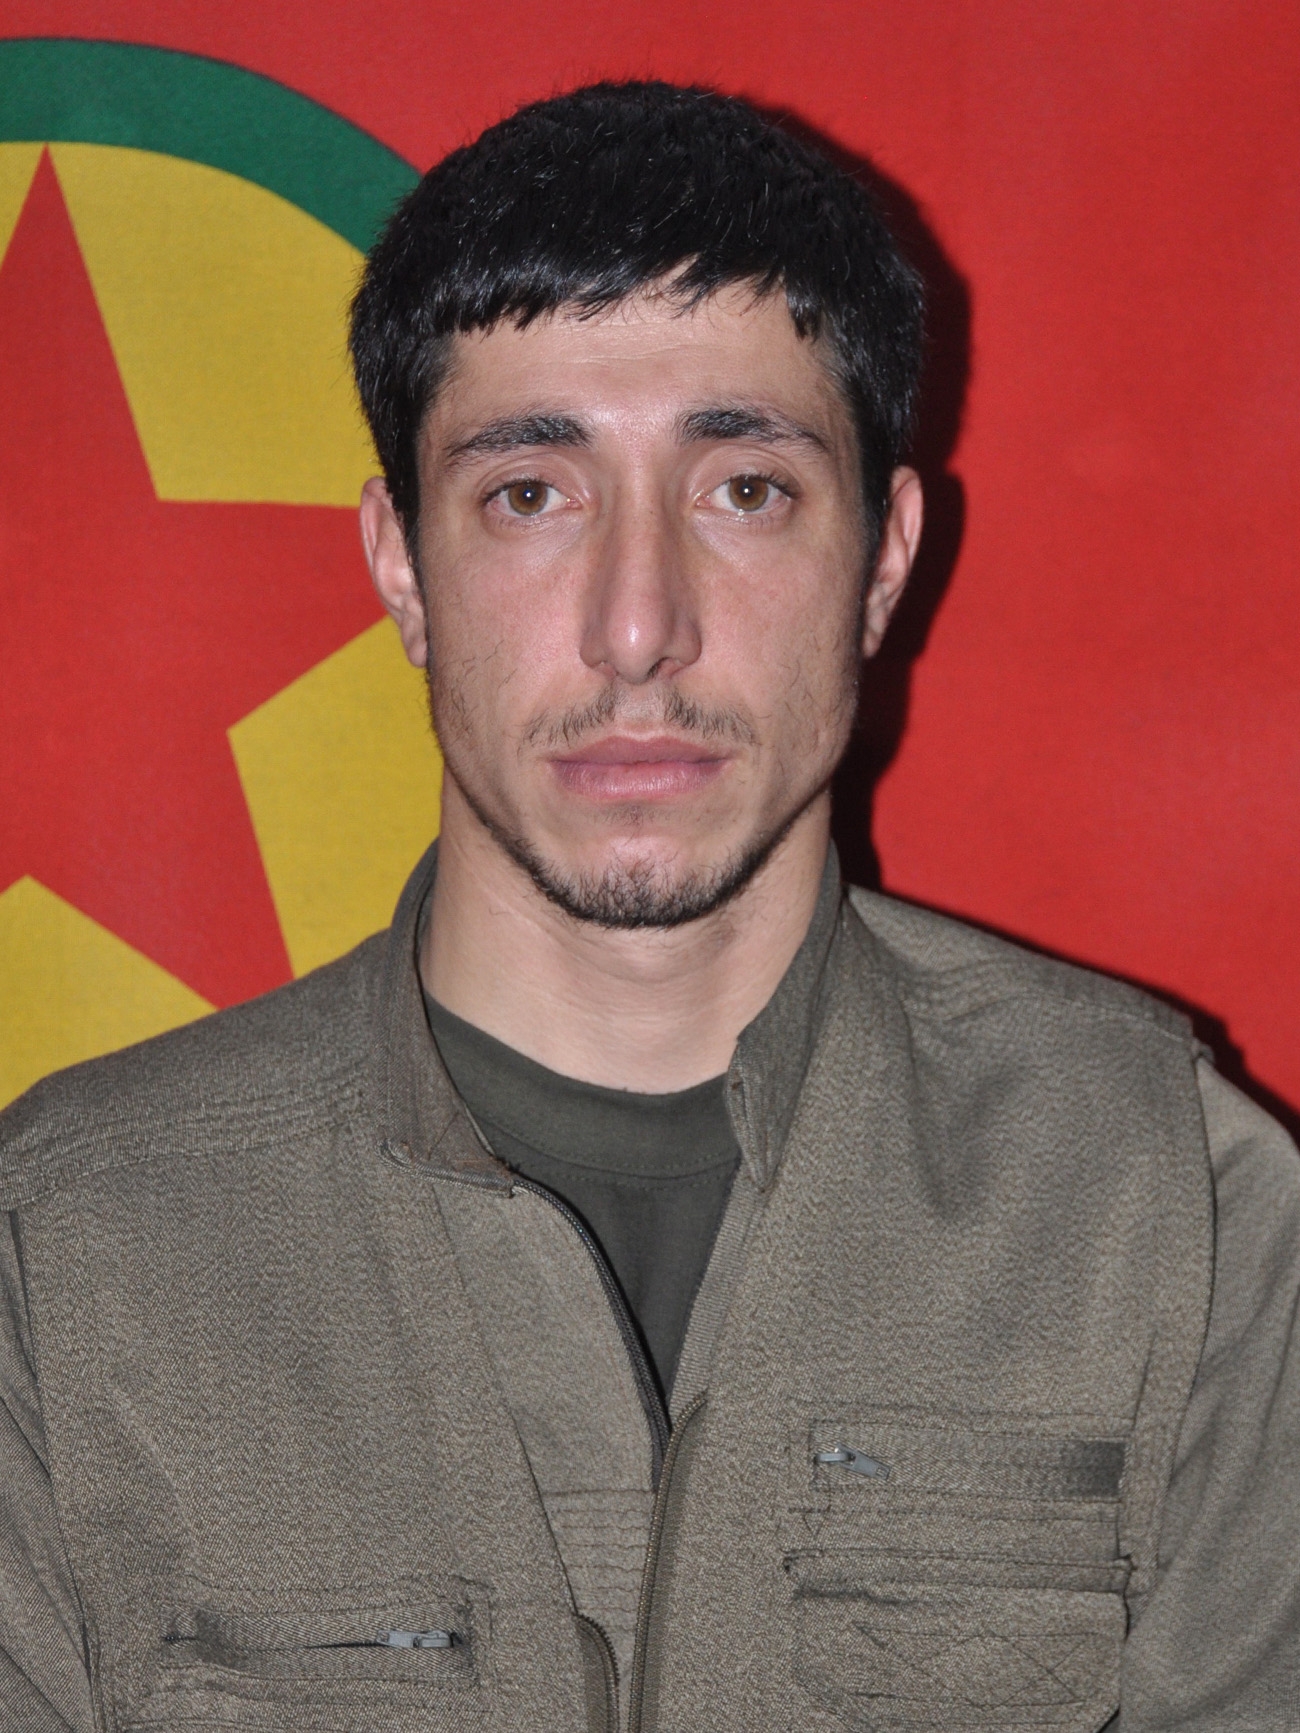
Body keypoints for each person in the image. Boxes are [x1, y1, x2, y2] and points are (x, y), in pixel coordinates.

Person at [1, 80, 1297, 1733]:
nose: (637, 627)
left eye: (742, 488)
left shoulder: (1171, 1204)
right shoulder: (68, 1254)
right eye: (530, 493)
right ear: (401, 565)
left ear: (884, 560)